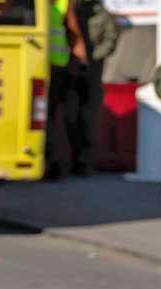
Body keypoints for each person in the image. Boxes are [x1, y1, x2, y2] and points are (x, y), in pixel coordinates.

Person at [63, 0, 120, 176]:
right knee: (70, 114)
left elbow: (111, 40)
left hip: (92, 73)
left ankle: (83, 162)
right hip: (70, 69)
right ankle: (68, 158)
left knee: (88, 117)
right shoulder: (71, 12)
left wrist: (93, 57)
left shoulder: (103, 16)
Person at [45, 0, 87, 179]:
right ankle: (56, 165)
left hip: (45, 65)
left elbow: (72, 28)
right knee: (54, 117)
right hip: (58, 64)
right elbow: (73, 30)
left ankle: (53, 165)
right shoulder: (63, 3)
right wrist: (82, 58)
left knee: (49, 118)